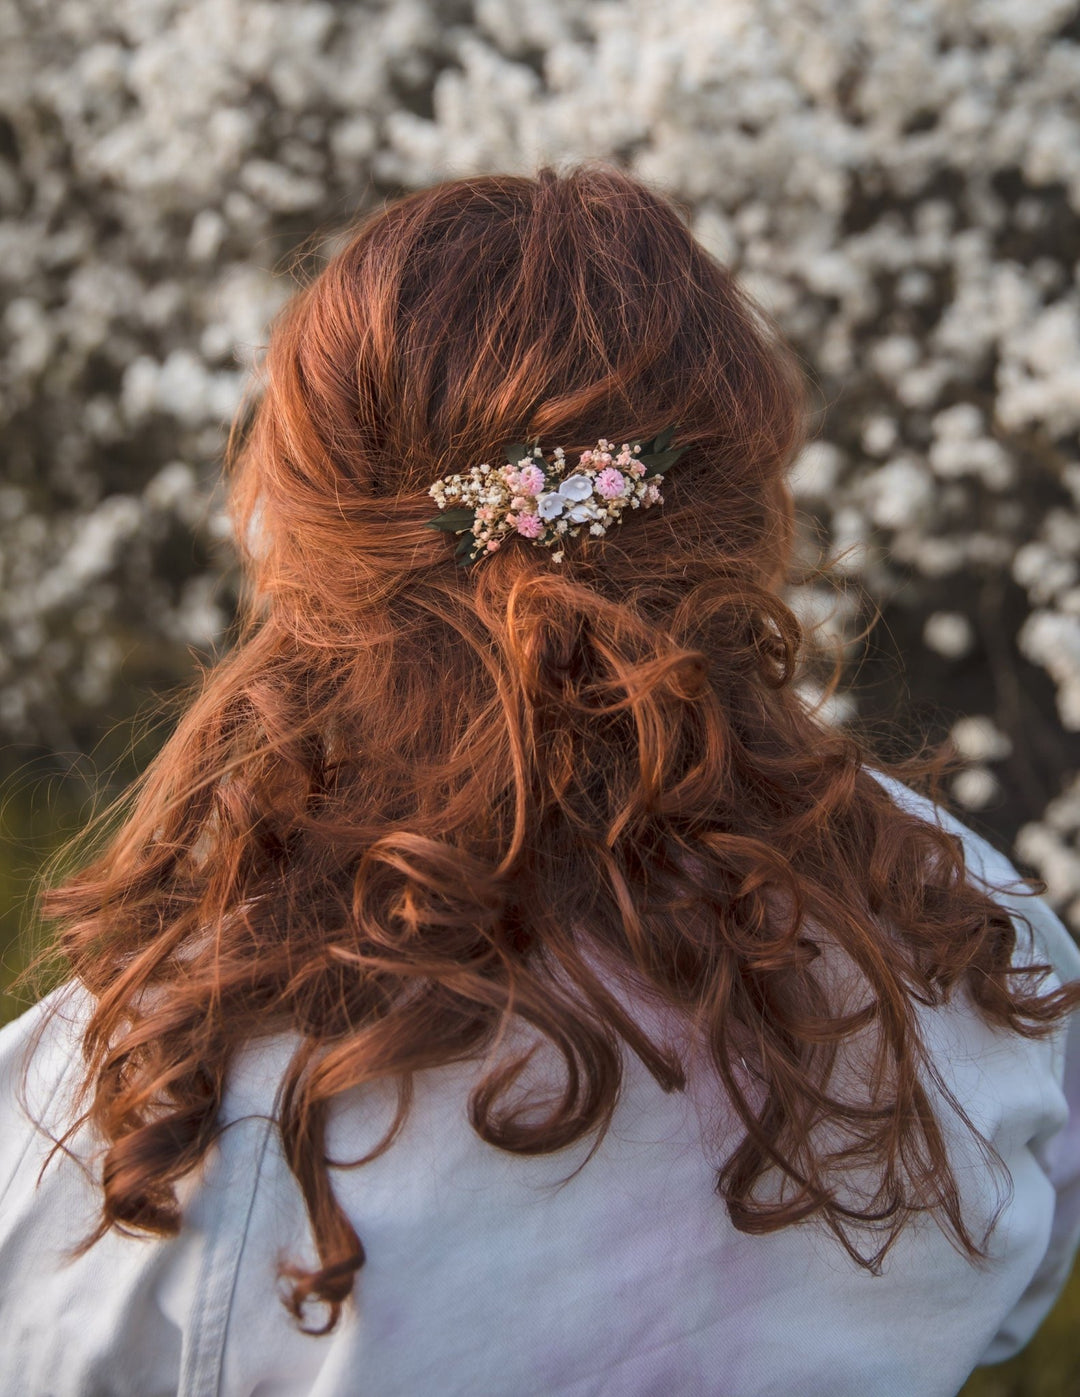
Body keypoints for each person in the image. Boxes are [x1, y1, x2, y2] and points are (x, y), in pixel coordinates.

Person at [1, 165, 1078, 1397]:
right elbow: (1008, 1287)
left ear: (305, 536)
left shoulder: (161, 1083)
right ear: (748, 513)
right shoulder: (970, 932)